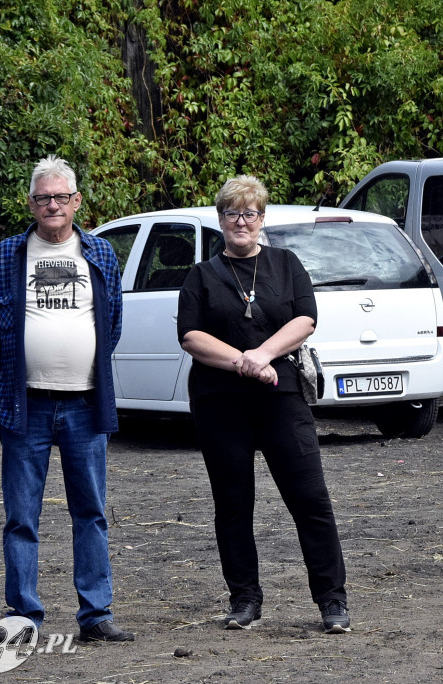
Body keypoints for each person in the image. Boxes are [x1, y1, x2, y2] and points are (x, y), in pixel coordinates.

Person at [0, 155, 134, 641]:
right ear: (32, 203)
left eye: (62, 197)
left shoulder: (100, 254)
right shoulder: (9, 254)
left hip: (84, 405)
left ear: (77, 201)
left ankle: (96, 616)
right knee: (21, 516)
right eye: (44, 198)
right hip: (26, 407)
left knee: (92, 512)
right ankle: (23, 615)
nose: (53, 205)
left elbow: (112, 324)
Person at [176, 175, 350, 633]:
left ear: (261, 219)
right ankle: (245, 600)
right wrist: (243, 363)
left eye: (249, 213)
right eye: (232, 213)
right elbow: (191, 337)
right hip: (221, 405)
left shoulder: (285, 264)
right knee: (233, 506)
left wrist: (263, 354)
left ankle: (332, 601)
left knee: (310, 499)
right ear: (220, 220)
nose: (240, 221)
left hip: (281, 399)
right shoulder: (201, 276)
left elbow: (306, 318)